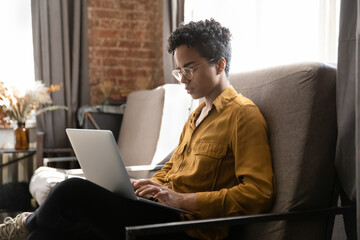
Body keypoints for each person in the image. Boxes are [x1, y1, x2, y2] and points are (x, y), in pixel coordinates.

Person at [0, 19, 274, 240]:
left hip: (188, 227)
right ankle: (31, 227)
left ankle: (23, 222)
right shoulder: (196, 115)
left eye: (190, 68)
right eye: (179, 71)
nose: (184, 80)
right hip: (160, 212)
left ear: (220, 64)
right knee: (52, 233)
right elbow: (175, 167)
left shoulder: (242, 115)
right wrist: (155, 184)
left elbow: (258, 194)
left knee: (69, 191)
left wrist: (181, 199)